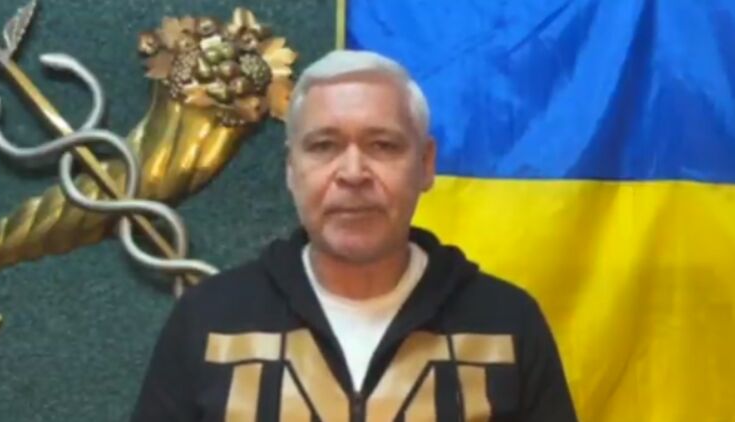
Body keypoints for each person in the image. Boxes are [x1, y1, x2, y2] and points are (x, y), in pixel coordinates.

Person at [132, 50, 578, 421]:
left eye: (382, 145)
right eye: (324, 146)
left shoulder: (505, 322)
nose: (353, 173)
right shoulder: (210, 319)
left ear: (425, 164)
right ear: (291, 169)